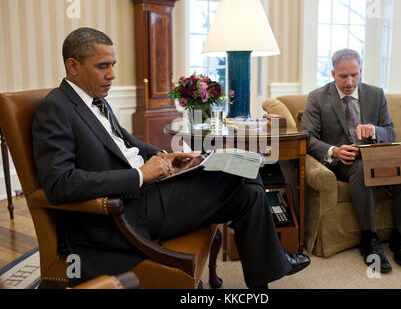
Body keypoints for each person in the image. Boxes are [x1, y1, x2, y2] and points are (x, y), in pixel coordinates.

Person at [32, 27, 310, 288]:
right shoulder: (56, 108)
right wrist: (141, 174)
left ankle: (263, 280)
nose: (112, 74)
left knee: (247, 188)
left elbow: (126, 143)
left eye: (113, 64)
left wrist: (167, 157)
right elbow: (60, 184)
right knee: (238, 173)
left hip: (148, 193)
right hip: (122, 212)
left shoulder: (95, 101)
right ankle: (276, 261)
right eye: (103, 66)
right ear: (73, 66)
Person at [301, 49, 401, 273]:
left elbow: (391, 132)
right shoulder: (317, 97)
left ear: (361, 71)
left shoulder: (376, 94)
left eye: (354, 75)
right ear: (333, 73)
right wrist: (334, 151)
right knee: (362, 169)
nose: (349, 81)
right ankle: (369, 238)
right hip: (346, 162)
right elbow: (307, 138)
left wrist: (374, 130)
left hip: (377, 156)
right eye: (343, 76)